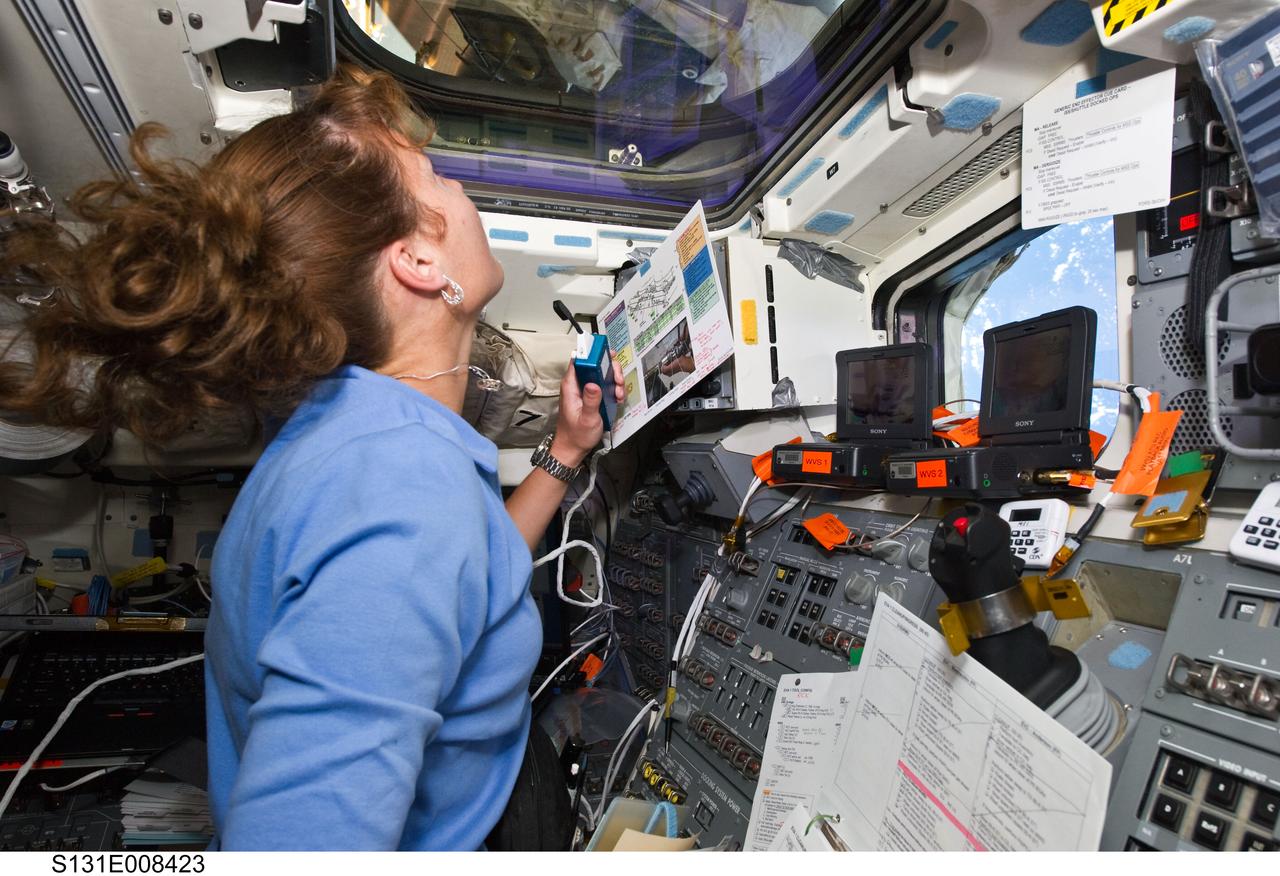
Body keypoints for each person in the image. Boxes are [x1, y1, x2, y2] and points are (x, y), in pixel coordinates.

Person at [0, 65, 623, 850]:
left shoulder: (353, 438)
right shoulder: (401, 497)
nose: (461, 189)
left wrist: (564, 450)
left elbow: (474, 572)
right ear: (419, 265)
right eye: (436, 177)